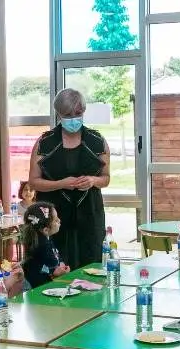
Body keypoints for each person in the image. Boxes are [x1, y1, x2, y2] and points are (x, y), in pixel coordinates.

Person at [28, 88, 111, 269]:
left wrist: (92, 181)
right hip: (54, 215)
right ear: (58, 114)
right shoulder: (44, 143)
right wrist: (61, 184)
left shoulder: (97, 141)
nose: (74, 118)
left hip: (89, 213)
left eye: (78, 113)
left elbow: (106, 178)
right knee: (55, 267)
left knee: (91, 266)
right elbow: (33, 182)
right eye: (68, 114)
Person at [20, 202, 69, 288]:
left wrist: (60, 263)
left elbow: (55, 255)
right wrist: (60, 270)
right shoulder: (43, 245)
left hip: (40, 282)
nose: (59, 220)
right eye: (56, 220)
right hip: (38, 287)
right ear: (46, 230)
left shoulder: (44, 238)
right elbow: (54, 268)